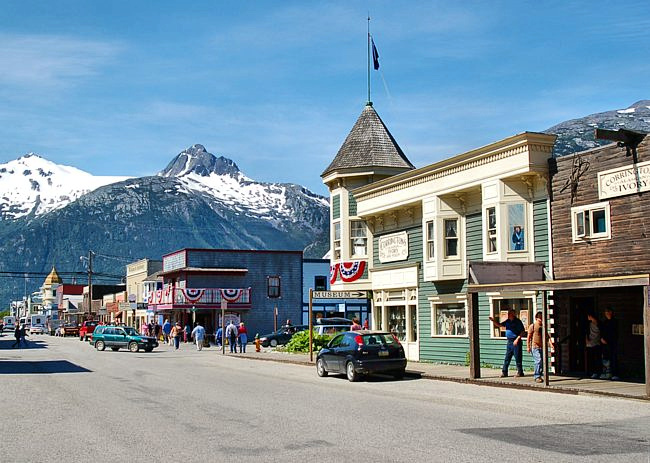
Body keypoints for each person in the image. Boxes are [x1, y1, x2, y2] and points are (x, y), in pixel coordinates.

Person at [489, 309, 526, 377]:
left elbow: (522, 332)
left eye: (510, 313)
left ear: (513, 314)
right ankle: (504, 372)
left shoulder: (517, 322)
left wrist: (517, 339)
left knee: (518, 357)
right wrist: (493, 320)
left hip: (516, 341)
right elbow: (500, 325)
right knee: (507, 357)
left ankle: (520, 372)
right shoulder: (507, 321)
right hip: (509, 341)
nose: (508, 315)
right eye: (508, 314)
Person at [526, 311, 555, 383]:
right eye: (539, 318)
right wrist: (528, 347)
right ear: (536, 318)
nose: (540, 319)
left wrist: (551, 344)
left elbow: (547, 337)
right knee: (538, 360)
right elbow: (529, 337)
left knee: (542, 362)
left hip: (542, 347)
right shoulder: (532, 326)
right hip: (535, 346)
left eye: (541, 317)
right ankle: (537, 376)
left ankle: (540, 374)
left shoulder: (543, 326)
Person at [600, 307, 619, 380]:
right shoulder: (605, 322)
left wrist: (608, 340)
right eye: (605, 312)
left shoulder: (615, 322)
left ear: (611, 312)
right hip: (604, 343)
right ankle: (607, 373)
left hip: (612, 343)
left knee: (613, 358)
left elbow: (614, 333)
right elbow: (602, 331)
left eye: (608, 312)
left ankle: (615, 374)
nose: (607, 313)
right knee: (605, 359)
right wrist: (602, 338)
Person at [585, 312, 602, 379]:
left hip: (597, 342)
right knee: (591, 358)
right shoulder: (589, 324)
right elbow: (587, 332)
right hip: (590, 343)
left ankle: (597, 372)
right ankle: (592, 372)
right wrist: (586, 339)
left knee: (597, 358)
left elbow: (601, 332)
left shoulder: (598, 323)